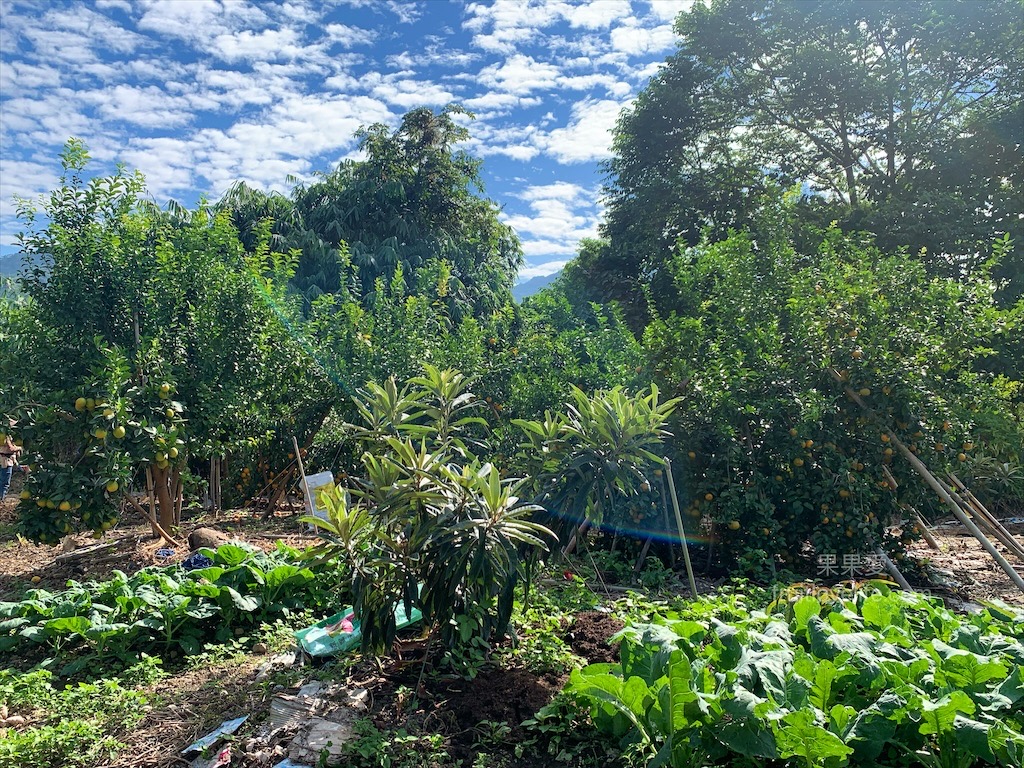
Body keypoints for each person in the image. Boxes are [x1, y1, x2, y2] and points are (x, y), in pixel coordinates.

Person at [0, 432, 23, 502]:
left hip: (3, 459)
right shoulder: (5, 436)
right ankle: (1, 499)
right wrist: (20, 448)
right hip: (5, 461)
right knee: (4, 482)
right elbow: (11, 448)